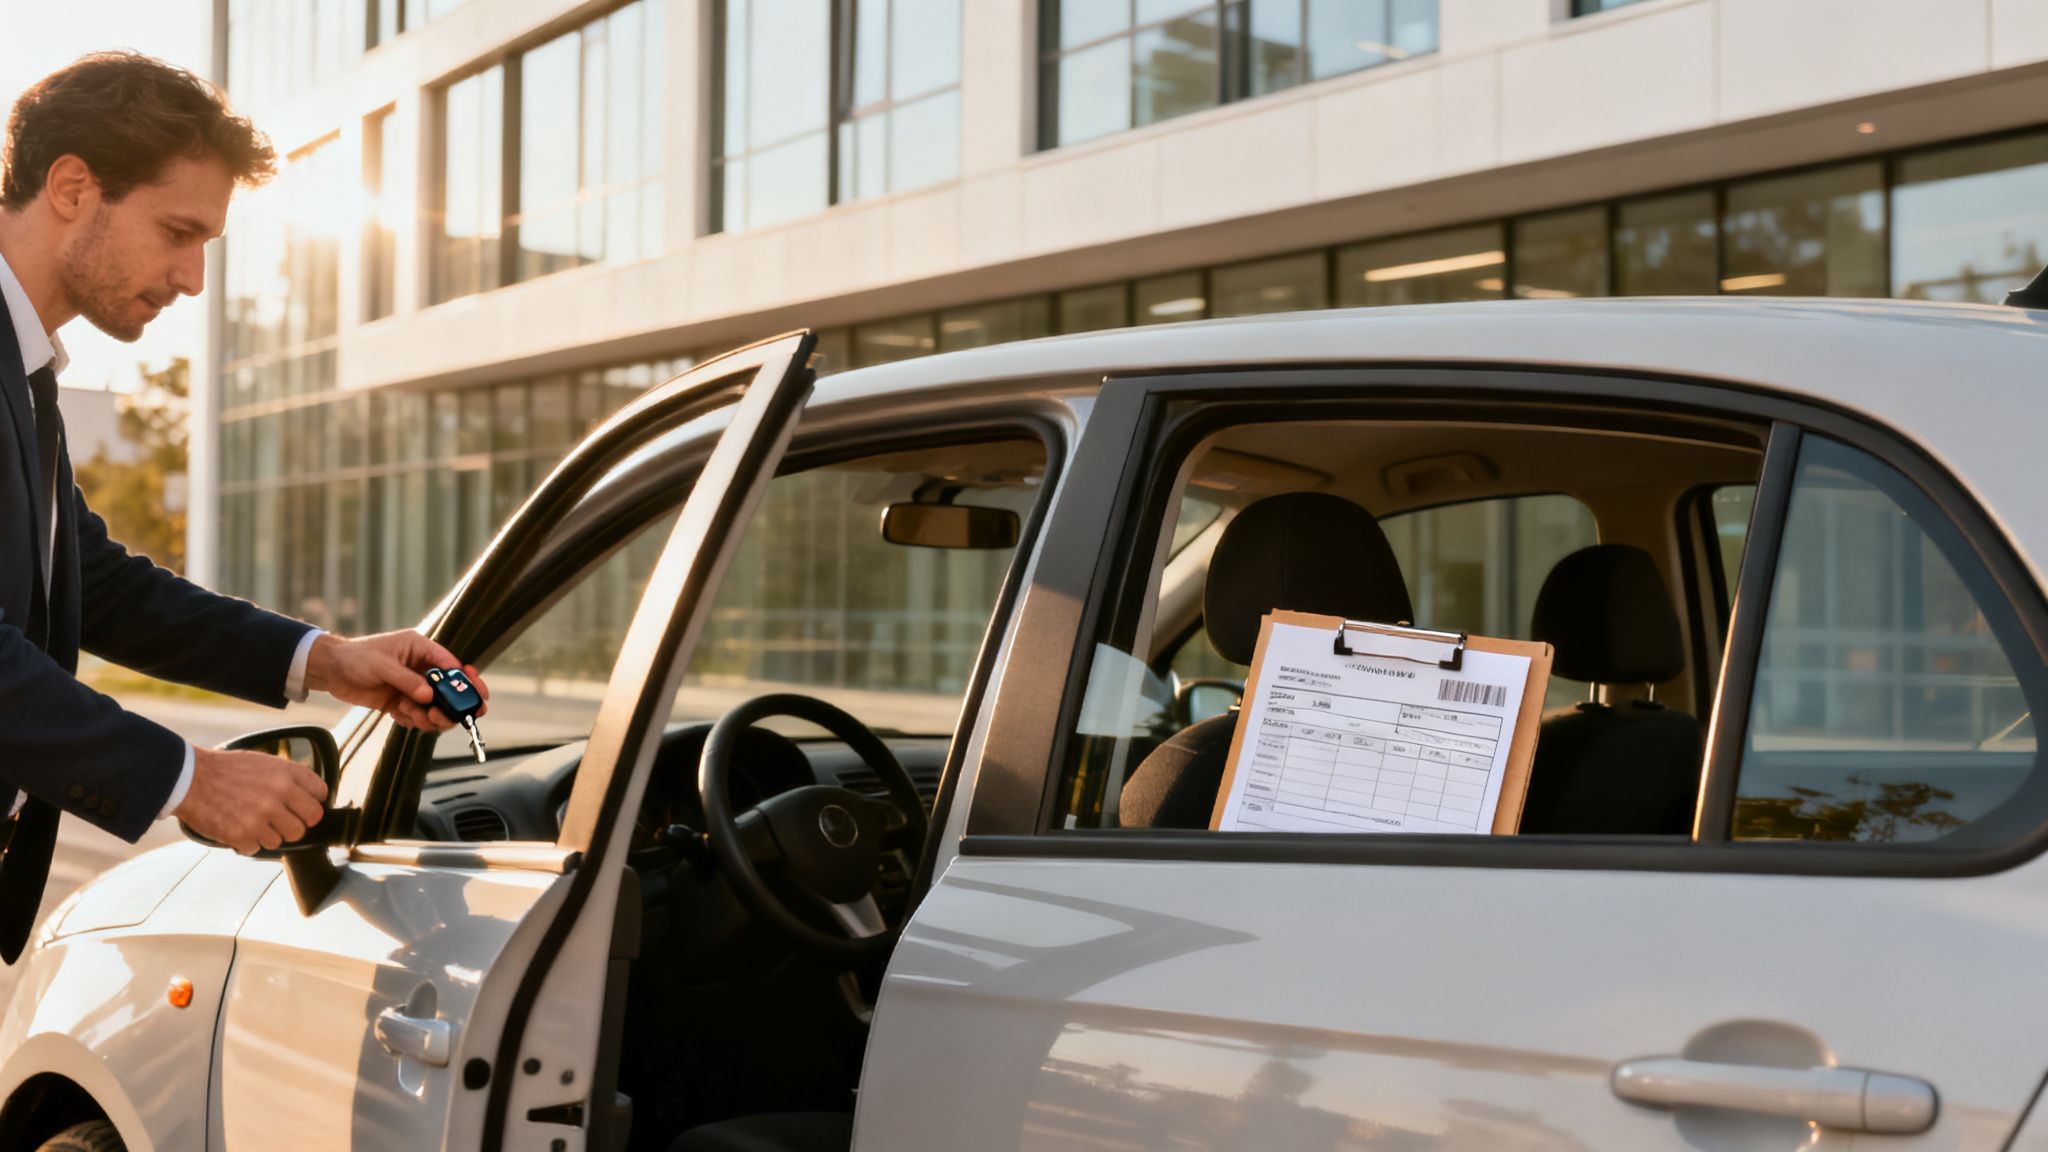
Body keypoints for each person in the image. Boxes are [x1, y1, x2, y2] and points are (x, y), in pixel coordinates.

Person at [0, 51, 486, 957]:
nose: (191, 278)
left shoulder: (27, 375)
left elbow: (96, 585)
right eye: (177, 231)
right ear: (72, 186)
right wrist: (188, 779)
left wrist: (327, 661)